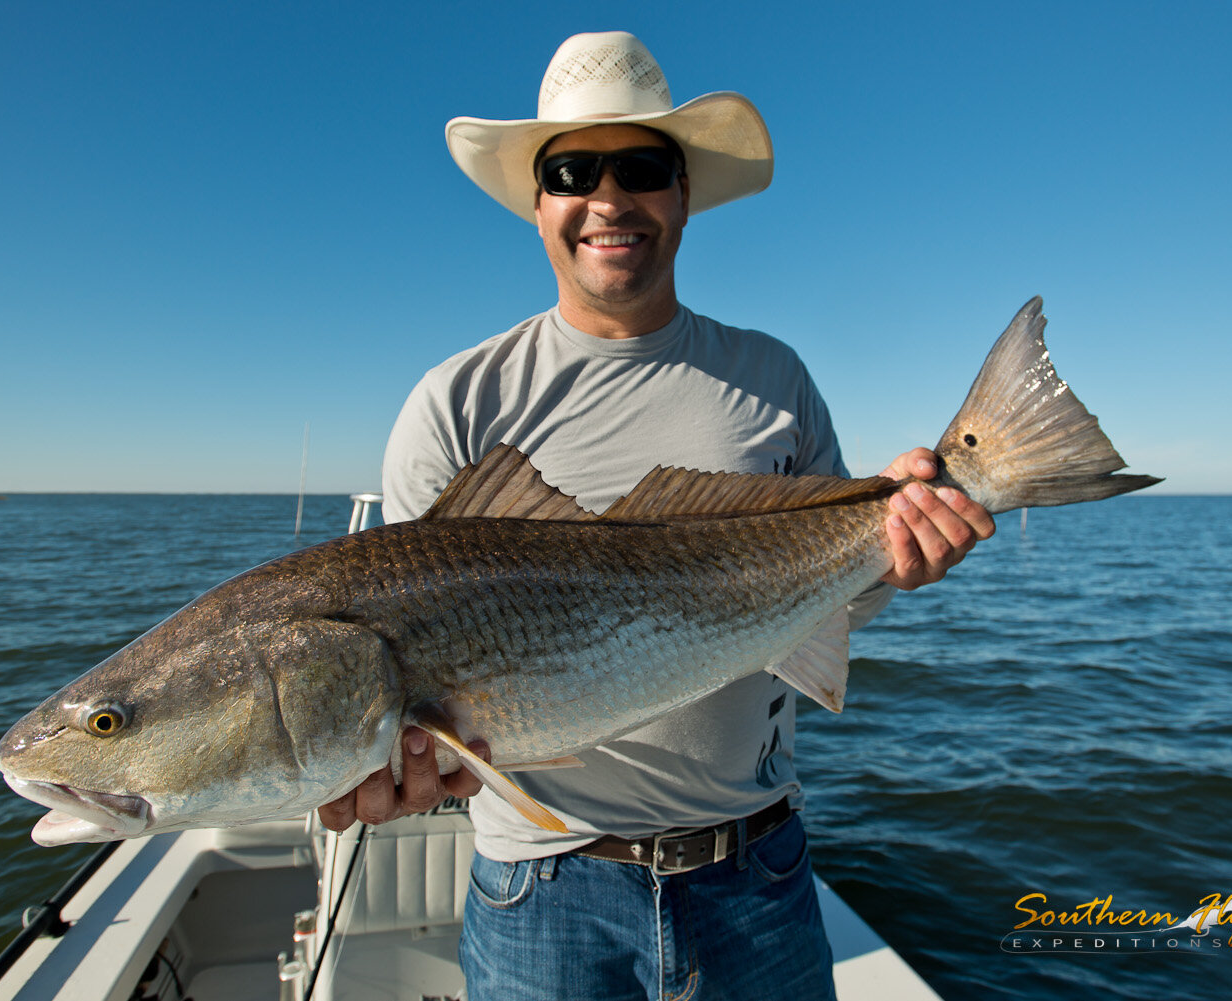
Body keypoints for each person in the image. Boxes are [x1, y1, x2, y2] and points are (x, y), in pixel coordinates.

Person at [317, 31, 994, 1000]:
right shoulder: (453, 402)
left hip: (755, 874)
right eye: (572, 170)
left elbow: (831, 602)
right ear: (539, 202)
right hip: (540, 895)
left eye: (641, 167)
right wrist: (393, 769)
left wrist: (897, 556)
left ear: (681, 195)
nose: (607, 197)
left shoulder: (774, 377)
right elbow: (415, 682)